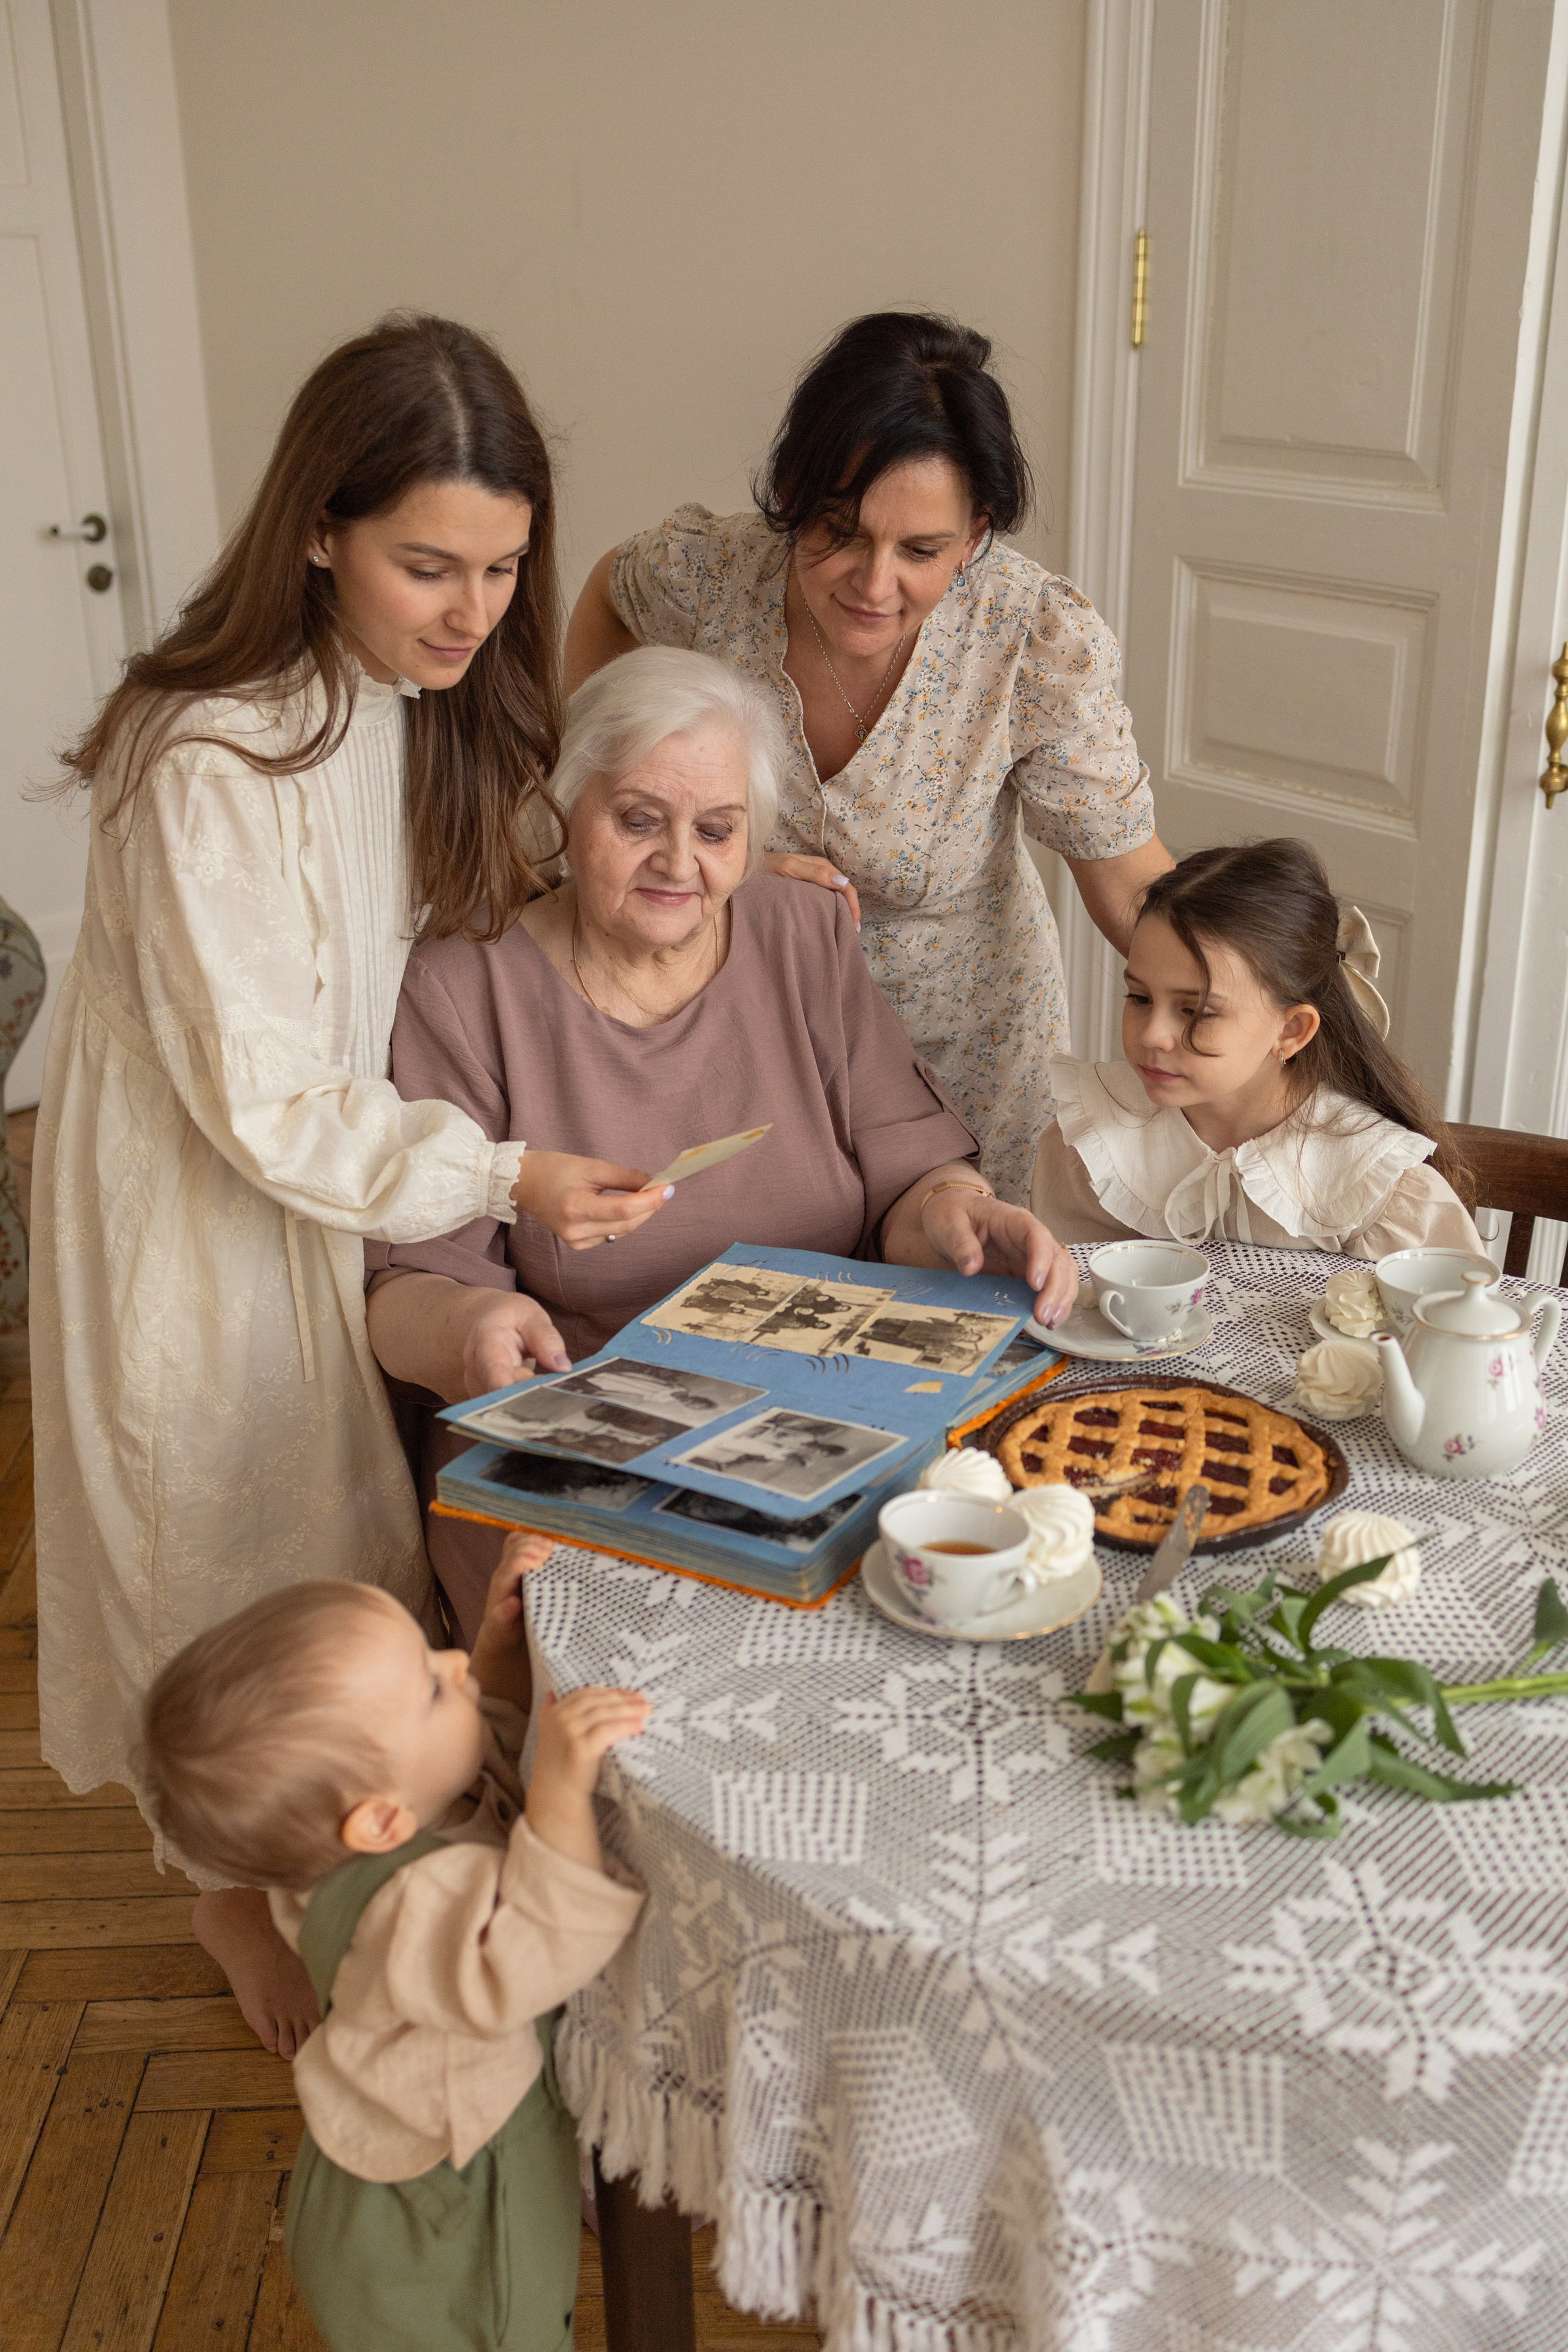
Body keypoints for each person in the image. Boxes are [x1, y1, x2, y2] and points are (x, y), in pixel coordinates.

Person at [30, 314, 666, 2058]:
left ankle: (350, 1857)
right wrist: (507, 1167)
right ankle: (234, 1892)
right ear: (317, 529)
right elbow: (262, 1092)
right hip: (198, 1200)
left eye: (504, 568)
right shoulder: (206, 755)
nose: (470, 611)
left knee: (319, 1544)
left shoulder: (409, 699)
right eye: (427, 567)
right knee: (209, 1558)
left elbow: (506, 853)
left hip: (313, 1193)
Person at [364, 646, 1080, 1639]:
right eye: (638, 820)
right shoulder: (465, 988)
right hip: (602, 1456)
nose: (679, 863)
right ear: (568, 807)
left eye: (717, 830)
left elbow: (908, 1175)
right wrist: (469, 1334)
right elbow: (406, 1289)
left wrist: (963, 1217)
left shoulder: (803, 933)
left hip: (836, 1417)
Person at [565, 311, 1173, 1202]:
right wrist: (614, 783)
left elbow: (1129, 886)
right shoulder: (715, 575)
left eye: (921, 551)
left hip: (963, 1063)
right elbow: (609, 596)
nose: (873, 583)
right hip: (753, 1042)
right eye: (838, 531)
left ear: (976, 537)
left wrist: (1240, 999)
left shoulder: (1031, 637)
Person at [141, 1536, 648, 2352]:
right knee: (513, 2331)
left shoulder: (356, 1835)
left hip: (373, 2179)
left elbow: (465, 1765)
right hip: (455, 2213)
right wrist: (560, 1784)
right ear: (380, 1821)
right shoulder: (410, 1902)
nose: (454, 1667)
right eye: (430, 1686)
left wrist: (498, 1647)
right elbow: (539, 1948)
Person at [1030, 839, 1485, 1256]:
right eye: (1140, 998)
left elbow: (1449, 1332)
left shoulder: (1379, 1186)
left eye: (1198, 1012)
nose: (1152, 1035)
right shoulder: (1092, 1144)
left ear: (1291, 1031)